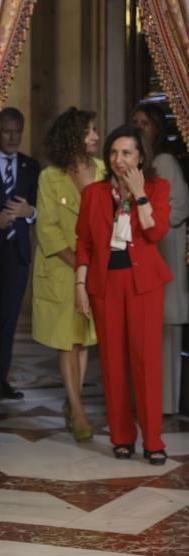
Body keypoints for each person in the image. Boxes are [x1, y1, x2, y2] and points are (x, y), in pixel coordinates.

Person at [75, 125, 172, 464]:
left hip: (144, 285)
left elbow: (156, 230)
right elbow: (84, 244)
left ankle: (154, 440)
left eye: (127, 152)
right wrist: (80, 286)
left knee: (146, 362)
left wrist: (138, 193)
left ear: (141, 156)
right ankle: (121, 436)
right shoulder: (93, 194)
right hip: (105, 286)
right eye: (114, 153)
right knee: (114, 364)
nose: (118, 159)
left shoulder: (158, 187)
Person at [32, 107, 103, 441]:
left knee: (84, 338)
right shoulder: (50, 177)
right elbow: (47, 230)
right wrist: (80, 263)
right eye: (89, 131)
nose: (95, 136)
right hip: (62, 269)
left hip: (95, 269)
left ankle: (72, 403)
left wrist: (93, 265)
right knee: (67, 343)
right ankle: (77, 410)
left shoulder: (103, 170)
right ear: (74, 136)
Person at [0, 107, 40, 401]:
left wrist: (29, 213)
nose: (13, 137)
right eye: (7, 131)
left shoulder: (31, 166)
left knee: (9, 317)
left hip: (18, 252)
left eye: (18, 131)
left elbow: (41, 209)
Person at [133, 103, 189, 415]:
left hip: (164, 251)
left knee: (165, 330)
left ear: (157, 128)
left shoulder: (165, 161)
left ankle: (165, 405)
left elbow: (181, 206)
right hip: (147, 253)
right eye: (135, 122)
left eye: (146, 123)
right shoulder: (142, 162)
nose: (140, 127)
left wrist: (154, 224)